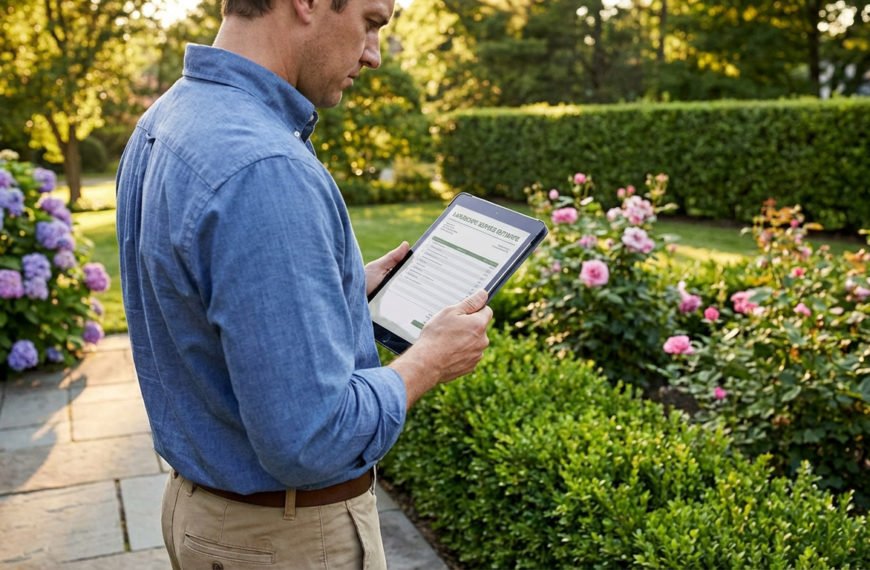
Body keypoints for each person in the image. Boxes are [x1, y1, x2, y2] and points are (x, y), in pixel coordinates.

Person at [115, 0, 493, 568]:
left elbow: (202, 307)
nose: (375, 55)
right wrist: (428, 363)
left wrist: (334, 291)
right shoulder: (264, 165)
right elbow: (313, 438)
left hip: (207, 516)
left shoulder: (167, 119)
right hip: (282, 541)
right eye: (370, 22)